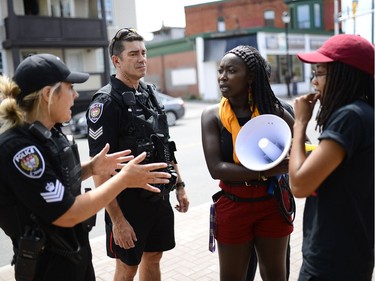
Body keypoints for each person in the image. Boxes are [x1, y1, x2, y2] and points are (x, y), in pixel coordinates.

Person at [0, 53, 172, 281]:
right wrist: (124, 179)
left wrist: (91, 168)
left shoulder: (48, 133)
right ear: (48, 94)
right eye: (70, 87)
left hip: (72, 258)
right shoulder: (20, 149)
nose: (76, 94)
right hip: (48, 269)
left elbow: (54, 179)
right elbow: (67, 213)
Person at [86, 28, 189, 281]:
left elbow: (166, 144)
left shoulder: (150, 94)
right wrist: (118, 220)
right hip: (126, 204)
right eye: (133, 54)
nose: (142, 58)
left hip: (158, 197)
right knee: (127, 267)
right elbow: (100, 169)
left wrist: (180, 185)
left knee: (154, 257)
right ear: (117, 60)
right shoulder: (106, 103)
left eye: (144, 52)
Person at [201, 45, 294, 281]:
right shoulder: (212, 116)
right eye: (220, 70)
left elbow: (303, 147)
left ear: (251, 76)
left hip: (272, 204)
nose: (222, 76)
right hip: (233, 206)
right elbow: (216, 169)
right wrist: (267, 171)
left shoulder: (274, 112)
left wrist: (292, 160)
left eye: (231, 71)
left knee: (275, 275)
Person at [289, 34, 374, 281]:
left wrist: (300, 123)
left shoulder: (351, 117)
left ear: (343, 74)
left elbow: (299, 184)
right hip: (352, 255)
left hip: (331, 262)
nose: (314, 82)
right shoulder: (365, 114)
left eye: (320, 73)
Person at [245, 60, 294, 281]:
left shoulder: (281, 110)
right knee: (245, 265)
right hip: (243, 203)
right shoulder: (226, 112)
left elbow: (302, 145)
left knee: (277, 265)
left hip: (276, 199)